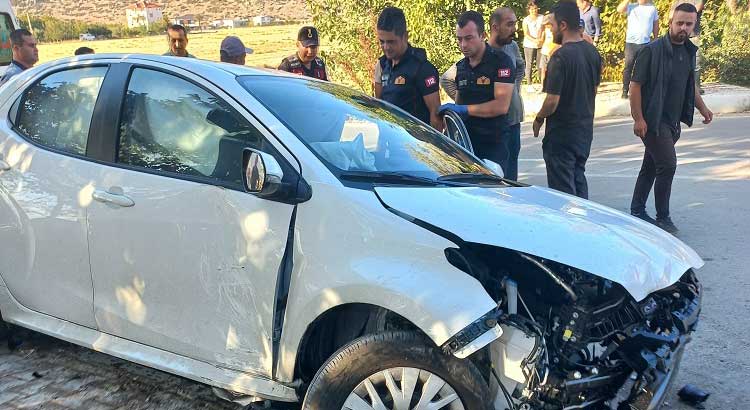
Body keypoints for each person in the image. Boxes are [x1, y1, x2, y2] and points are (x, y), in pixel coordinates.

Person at [628, 2, 712, 233]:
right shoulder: (651, 51)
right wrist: (638, 118)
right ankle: (663, 217)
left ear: (694, 25)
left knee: (651, 165)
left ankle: (637, 209)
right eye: (680, 23)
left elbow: (689, 85)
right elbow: (635, 87)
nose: (683, 28)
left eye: (689, 24)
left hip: (673, 122)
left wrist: (703, 109)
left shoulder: (688, 51)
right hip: (653, 120)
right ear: (670, 22)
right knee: (667, 165)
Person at [440, 7, 525, 180]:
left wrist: (465, 110)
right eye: (460, 39)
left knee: (498, 198)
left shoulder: (500, 62)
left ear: (482, 35)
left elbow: (501, 106)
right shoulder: (461, 67)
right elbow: (459, 102)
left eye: (469, 38)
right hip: (467, 147)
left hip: (493, 147)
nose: (463, 44)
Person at [532, 1, 602, 199]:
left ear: (563, 25)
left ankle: (570, 227)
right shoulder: (592, 53)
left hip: (562, 135)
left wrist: (539, 118)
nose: (551, 30)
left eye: (552, 25)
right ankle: (584, 224)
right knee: (578, 181)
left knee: (563, 193)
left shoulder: (559, 57)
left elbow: (552, 101)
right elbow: (593, 91)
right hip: (584, 131)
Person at [372, 7, 442, 130]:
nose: (386, 47)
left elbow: (436, 118)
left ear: (405, 36)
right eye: (382, 42)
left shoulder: (422, 68)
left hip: (414, 142)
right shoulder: (382, 65)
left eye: (391, 42)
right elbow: (380, 107)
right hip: (388, 136)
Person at [617, 0, 659, 99]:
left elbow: (655, 23)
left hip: (645, 43)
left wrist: (656, 38)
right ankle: (625, 90)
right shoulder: (631, 6)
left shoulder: (652, 8)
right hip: (631, 43)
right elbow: (619, 9)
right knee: (628, 67)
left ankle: (643, 90)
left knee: (644, 67)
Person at [671, 0, 704, 94]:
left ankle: (696, 87)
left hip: (694, 35)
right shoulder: (678, 1)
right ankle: (680, 85)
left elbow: (698, 7)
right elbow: (671, 14)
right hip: (679, 36)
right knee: (678, 61)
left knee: (696, 63)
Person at [522, 1, 544, 89]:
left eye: (535, 8)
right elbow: (526, 33)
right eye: (532, 9)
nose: (534, 10)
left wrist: (541, 40)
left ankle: (542, 83)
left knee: (540, 65)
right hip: (529, 44)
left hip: (540, 44)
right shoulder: (526, 20)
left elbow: (543, 29)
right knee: (529, 63)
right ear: (529, 10)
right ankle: (529, 84)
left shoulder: (542, 17)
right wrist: (535, 40)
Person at [539, 14, 560, 95]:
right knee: (543, 70)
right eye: (545, 24)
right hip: (544, 51)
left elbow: (559, 43)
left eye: (548, 24)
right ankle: (543, 86)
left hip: (553, 52)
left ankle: (552, 87)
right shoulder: (545, 30)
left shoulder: (557, 31)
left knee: (552, 70)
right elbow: (541, 39)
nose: (546, 26)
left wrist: (552, 51)